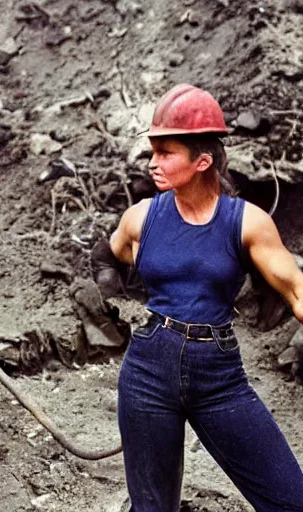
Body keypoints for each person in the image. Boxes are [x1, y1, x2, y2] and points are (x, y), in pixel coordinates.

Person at [106, 83, 303, 510]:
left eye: (165, 152)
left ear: (202, 160)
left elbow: (296, 291)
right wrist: (108, 298)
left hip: (219, 378)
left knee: (290, 499)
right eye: (152, 151)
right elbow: (113, 251)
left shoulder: (247, 222)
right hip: (147, 373)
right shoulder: (141, 218)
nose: (153, 163)